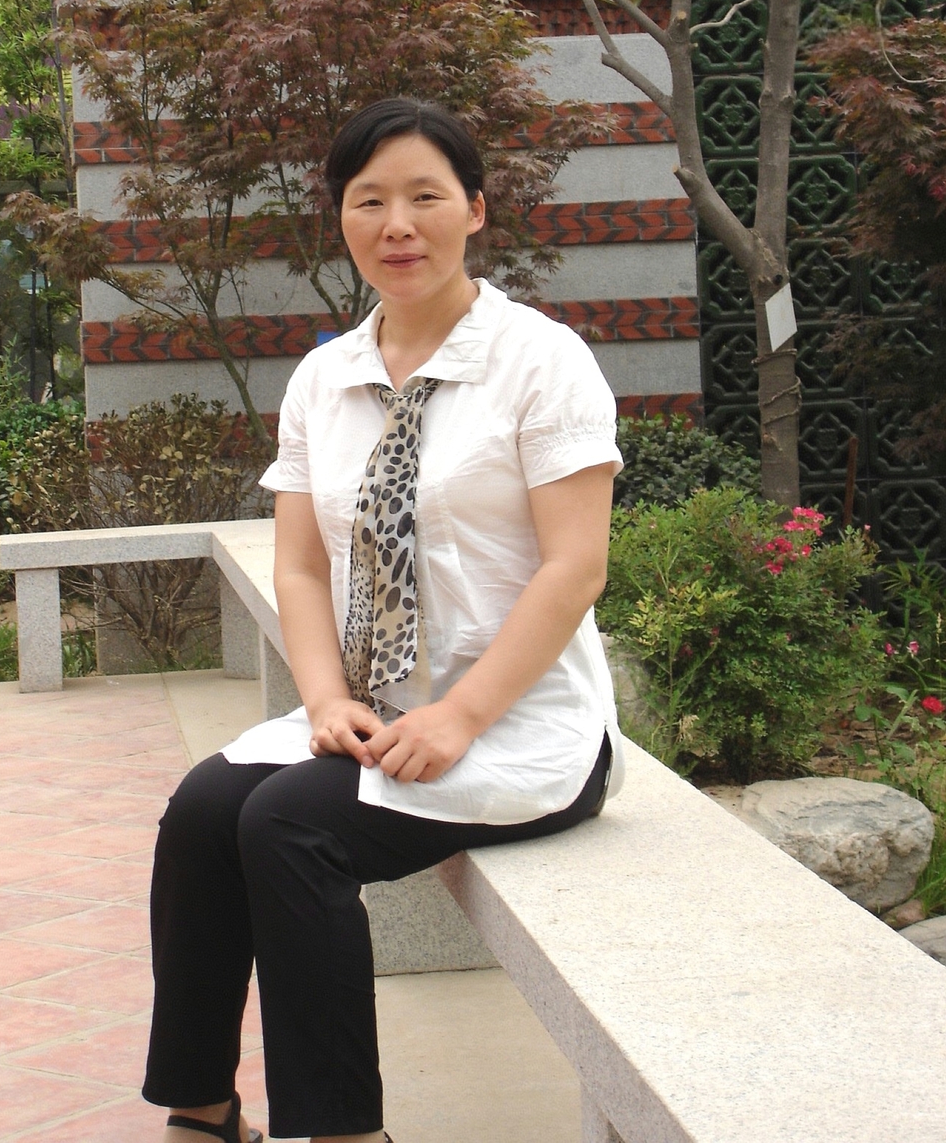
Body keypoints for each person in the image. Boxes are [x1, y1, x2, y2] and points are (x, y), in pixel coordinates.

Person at [143, 98, 626, 1143]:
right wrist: (323, 700)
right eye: (368, 201)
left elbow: (574, 567)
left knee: (287, 825)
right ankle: (202, 1112)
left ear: (474, 209)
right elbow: (300, 563)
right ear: (341, 218)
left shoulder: (539, 361)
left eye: (424, 197)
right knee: (201, 811)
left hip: (519, 726)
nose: (396, 224)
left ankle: (342, 1133)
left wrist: (459, 716)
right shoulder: (325, 378)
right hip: (377, 711)